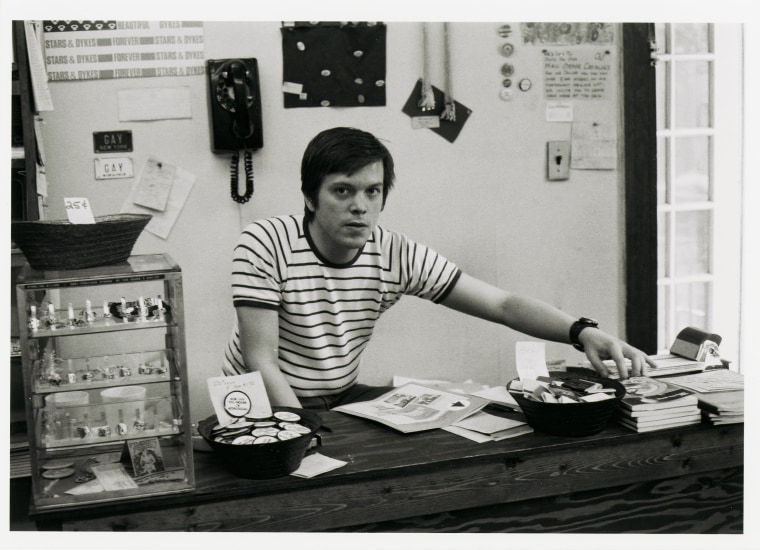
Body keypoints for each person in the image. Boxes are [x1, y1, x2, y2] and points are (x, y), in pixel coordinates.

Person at [223, 127, 656, 411]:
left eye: (372, 192)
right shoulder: (265, 243)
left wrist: (583, 332)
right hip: (260, 399)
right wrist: (306, 438)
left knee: (454, 416)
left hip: (339, 396)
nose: (360, 206)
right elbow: (260, 359)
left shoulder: (393, 253)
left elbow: (503, 305)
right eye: (342, 190)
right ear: (310, 197)